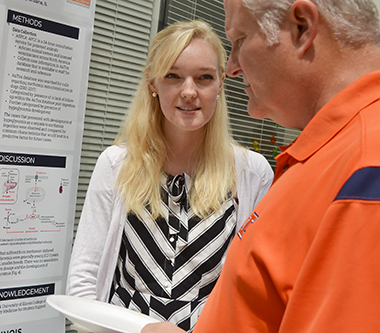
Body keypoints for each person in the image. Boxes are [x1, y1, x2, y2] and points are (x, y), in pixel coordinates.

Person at [142, 0, 380, 332]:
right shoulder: (329, 153)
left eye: (239, 38)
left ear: (301, 27)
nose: (233, 66)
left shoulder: (367, 170)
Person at [66, 20, 273, 332]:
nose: (188, 91)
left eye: (204, 78)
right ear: (153, 83)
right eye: (173, 76)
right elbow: (83, 280)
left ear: (219, 85)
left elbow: (253, 290)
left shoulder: (252, 172)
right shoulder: (116, 164)